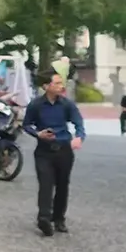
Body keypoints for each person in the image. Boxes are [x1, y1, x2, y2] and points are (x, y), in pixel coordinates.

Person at [21, 74, 86, 236]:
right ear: (46, 86)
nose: (60, 86)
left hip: (64, 149)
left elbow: (78, 122)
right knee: (45, 183)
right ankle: (44, 218)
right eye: (56, 83)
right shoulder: (35, 105)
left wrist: (79, 137)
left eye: (61, 83)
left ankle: (59, 218)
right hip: (44, 150)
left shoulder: (66, 105)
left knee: (62, 185)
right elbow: (26, 125)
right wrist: (38, 134)